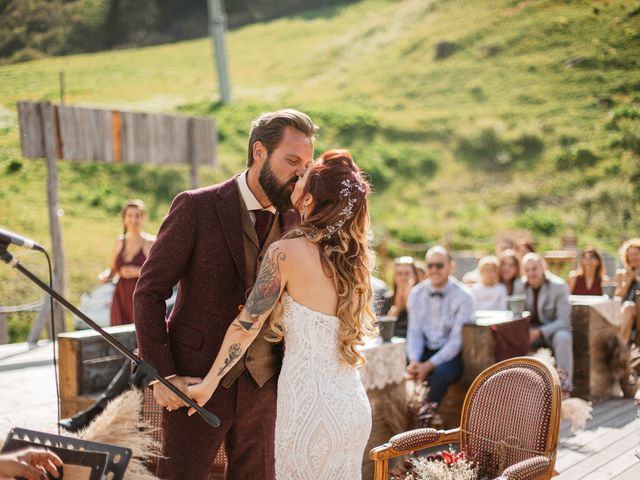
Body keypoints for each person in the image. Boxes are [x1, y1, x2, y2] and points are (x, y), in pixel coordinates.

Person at [133, 109, 316, 480]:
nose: (300, 173)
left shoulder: (297, 221)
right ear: (259, 152)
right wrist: (161, 373)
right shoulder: (196, 206)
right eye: (292, 160)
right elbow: (149, 291)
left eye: (307, 164)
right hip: (194, 382)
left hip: (265, 385)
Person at [187, 150, 375, 479]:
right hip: (351, 405)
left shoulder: (285, 253)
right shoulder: (354, 260)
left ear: (309, 199)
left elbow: (246, 325)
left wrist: (209, 383)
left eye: (303, 177)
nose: (296, 179)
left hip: (307, 406)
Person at [406, 246, 475, 406]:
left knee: (441, 375)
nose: (434, 270)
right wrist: (415, 361)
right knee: (398, 366)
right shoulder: (416, 294)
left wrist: (428, 366)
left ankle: (424, 420)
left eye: (439, 265)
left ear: (451, 266)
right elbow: (414, 332)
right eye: (430, 265)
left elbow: (456, 341)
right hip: (424, 349)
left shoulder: (465, 297)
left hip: (451, 354)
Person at [515, 253, 573, 394]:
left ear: (543, 268)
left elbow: (564, 321)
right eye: (527, 270)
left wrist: (540, 332)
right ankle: (519, 389)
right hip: (529, 330)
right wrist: (525, 332)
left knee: (564, 338)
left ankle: (564, 386)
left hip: (553, 330)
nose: (531, 273)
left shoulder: (559, 286)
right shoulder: (519, 285)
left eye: (534, 269)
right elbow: (517, 314)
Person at [101, 199, 154, 326]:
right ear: (124, 219)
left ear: (143, 218)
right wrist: (105, 275)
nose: (133, 220)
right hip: (120, 298)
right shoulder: (120, 241)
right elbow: (112, 268)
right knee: (119, 339)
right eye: (129, 215)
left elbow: (158, 273)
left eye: (137, 216)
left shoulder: (150, 242)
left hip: (142, 298)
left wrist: (137, 272)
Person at [381, 256, 419, 337]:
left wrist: (407, 302)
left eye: (407, 274)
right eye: (399, 274)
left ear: (415, 277)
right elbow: (382, 329)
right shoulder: (386, 299)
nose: (403, 278)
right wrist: (397, 307)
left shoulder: (422, 298)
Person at [616, 239, 640, 344]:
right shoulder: (621, 274)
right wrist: (628, 280)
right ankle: (622, 346)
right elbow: (618, 296)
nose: (633, 257)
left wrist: (636, 277)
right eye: (631, 254)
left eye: (636, 254)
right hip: (625, 310)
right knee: (628, 307)